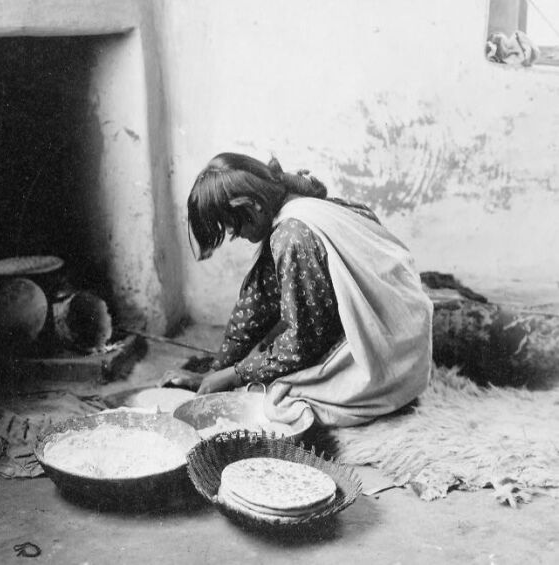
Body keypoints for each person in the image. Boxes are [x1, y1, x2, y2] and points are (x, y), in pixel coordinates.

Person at [160, 152, 433, 427]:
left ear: (250, 205)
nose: (234, 235)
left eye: (232, 226)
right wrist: (216, 369)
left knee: (277, 402)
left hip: (391, 353)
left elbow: (302, 341)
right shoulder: (291, 205)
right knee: (264, 364)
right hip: (404, 331)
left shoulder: (293, 235)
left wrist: (234, 374)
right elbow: (258, 300)